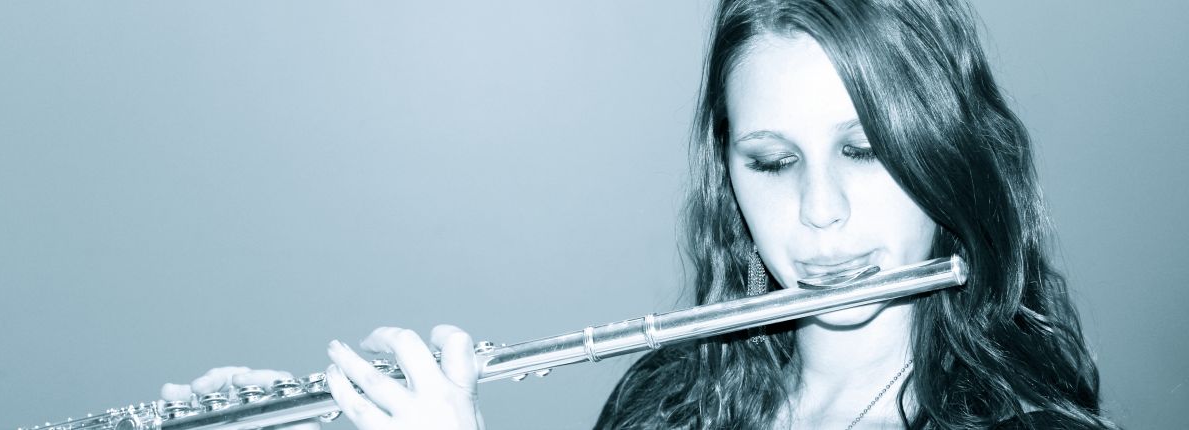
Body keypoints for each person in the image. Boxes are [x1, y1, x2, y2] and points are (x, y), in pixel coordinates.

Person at [164, 0, 1114, 428]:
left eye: (862, 151)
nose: (818, 213)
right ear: (728, 174)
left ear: (943, 149)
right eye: (772, 162)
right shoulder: (669, 402)